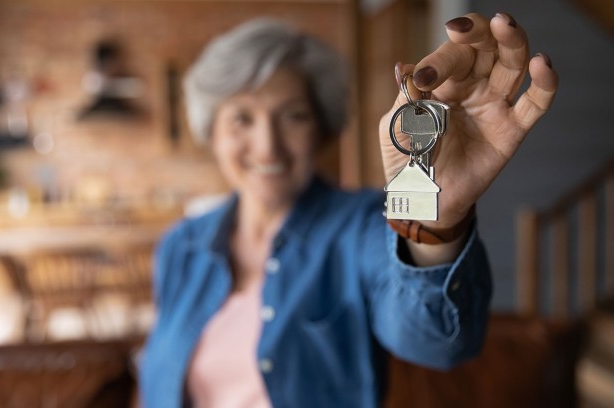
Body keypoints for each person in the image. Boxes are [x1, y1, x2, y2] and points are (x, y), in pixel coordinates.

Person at [140, 11, 558, 408]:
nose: (267, 145)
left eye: (293, 116)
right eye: (241, 119)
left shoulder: (365, 225)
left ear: (322, 130)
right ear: (210, 131)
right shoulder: (180, 245)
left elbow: (434, 344)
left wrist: (431, 221)